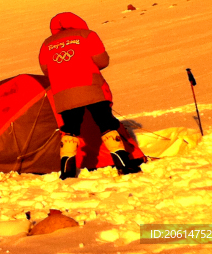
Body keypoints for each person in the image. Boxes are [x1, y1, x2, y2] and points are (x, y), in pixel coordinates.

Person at [38, 11, 141, 179]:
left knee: (70, 129)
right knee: (106, 124)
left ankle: (67, 171)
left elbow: (46, 70)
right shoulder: (87, 35)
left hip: (63, 92)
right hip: (91, 87)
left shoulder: (47, 44)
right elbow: (102, 61)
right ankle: (123, 163)